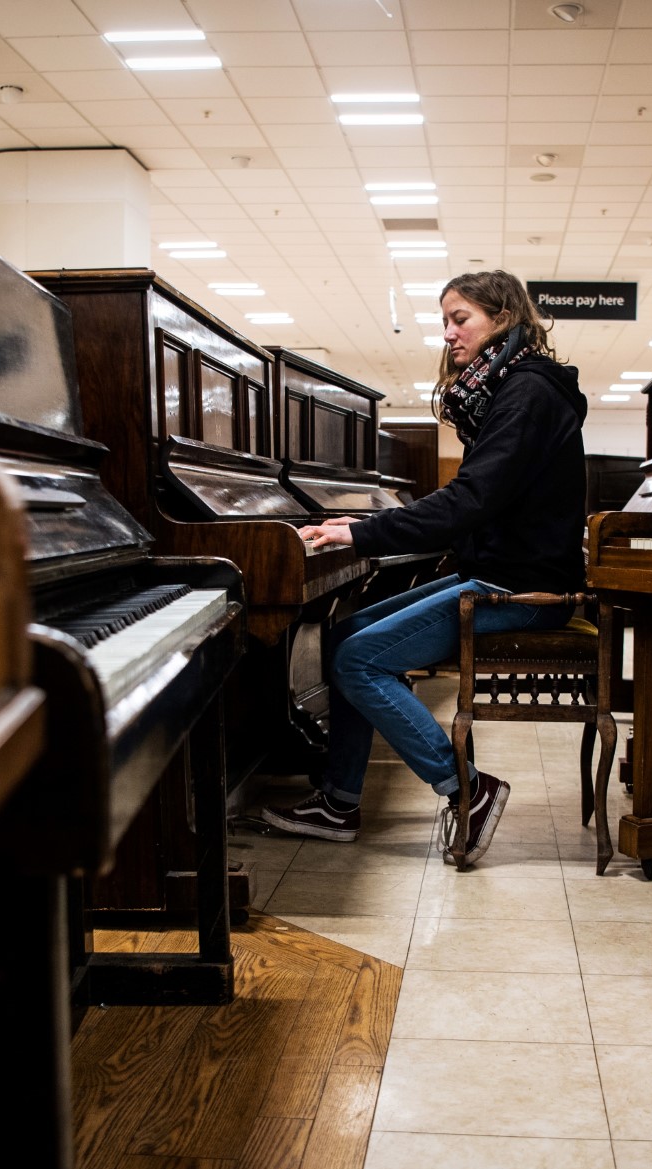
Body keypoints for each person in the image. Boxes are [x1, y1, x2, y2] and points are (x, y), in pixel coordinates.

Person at [263, 270, 588, 864]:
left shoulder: (528, 392)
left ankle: (466, 787)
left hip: (521, 589)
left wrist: (361, 531)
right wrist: (362, 532)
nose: (448, 334)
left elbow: (469, 500)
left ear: (504, 317)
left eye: (460, 319)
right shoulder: (511, 387)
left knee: (356, 659)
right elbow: (474, 503)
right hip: (502, 573)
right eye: (445, 321)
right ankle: (338, 802)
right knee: (344, 631)